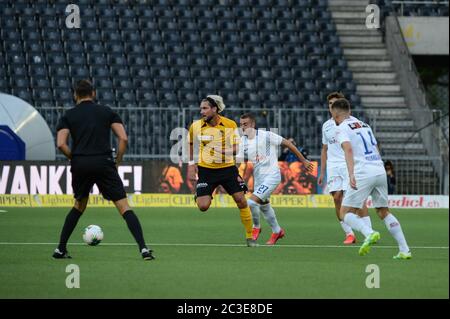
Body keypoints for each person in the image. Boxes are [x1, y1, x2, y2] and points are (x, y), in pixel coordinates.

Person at [53, 80, 154, 261]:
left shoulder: (69, 115)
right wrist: (117, 161)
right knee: (124, 207)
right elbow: (123, 138)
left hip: (81, 164)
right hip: (103, 162)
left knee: (79, 206)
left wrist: (74, 158)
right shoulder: (106, 111)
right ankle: (144, 249)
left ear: (75, 95)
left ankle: (60, 249)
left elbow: (61, 143)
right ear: (93, 93)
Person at [331, 98, 411, 259]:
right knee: (383, 211)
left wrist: (351, 173)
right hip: (378, 169)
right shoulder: (364, 125)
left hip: (363, 172)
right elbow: (375, 147)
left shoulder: (341, 128)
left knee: (345, 212)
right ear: (350, 111)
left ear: (335, 114)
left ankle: (369, 232)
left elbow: (348, 149)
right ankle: (404, 250)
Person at [187, 95, 256, 247]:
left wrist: (223, 151)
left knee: (241, 200)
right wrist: (191, 164)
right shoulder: (196, 126)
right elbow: (190, 144)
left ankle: (250, 236)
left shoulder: (230, 124)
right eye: (201, 108)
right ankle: (201, 194)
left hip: (227, 169)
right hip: (206, 170)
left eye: (205, 108)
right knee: (203, 207)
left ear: (214, 109)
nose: (201, 111)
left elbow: (237, 149)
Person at [237, 113, 314, 245]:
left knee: (251, 203)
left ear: (253, 124)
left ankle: (256, 227)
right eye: (241, 124)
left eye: (246, 124)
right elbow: (239, 160)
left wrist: (303, 160)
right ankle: (277, 231)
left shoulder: (266, 136)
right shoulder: (242, 141)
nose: (243, 127)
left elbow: (288, 144)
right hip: (259, 177)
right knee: (264, 205)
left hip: (272, 175)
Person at [318, 92, 372, 245]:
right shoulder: (326, 126)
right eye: (330, 104)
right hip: (334, 166)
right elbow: (324, 149)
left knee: (357, 199)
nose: (332, 107)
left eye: (335, 103)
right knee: (336, 198)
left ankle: (369, 231)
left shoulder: (353, 123)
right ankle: (349, 234)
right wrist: (322, 171)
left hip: (350, 164)